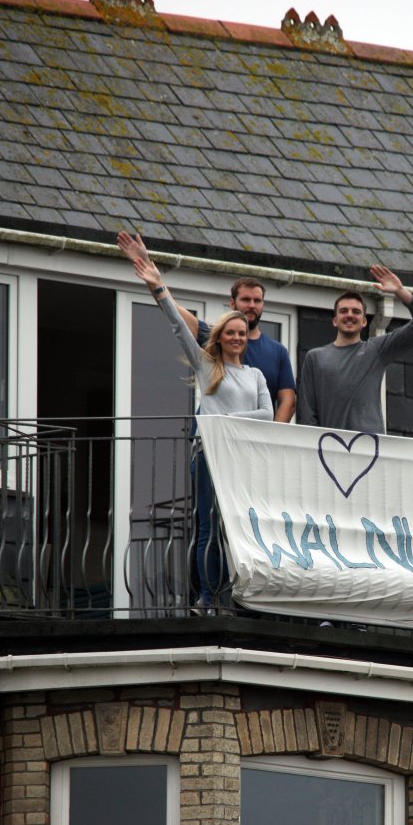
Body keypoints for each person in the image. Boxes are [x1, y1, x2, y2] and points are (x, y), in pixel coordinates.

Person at [132, 256, 273, 612]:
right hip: (209, 456)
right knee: (208, 527)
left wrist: (222, 419)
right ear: (221, 337)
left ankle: (240, 597)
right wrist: (157, 285)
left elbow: (268, 414)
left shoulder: (256, 375)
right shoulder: (208, 365)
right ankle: (208, 595)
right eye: (231, 333)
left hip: (240, 458)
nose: (237, 338)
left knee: (239, 528)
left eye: (242, 334)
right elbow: (180, 327)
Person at [117, 232, 296, 422]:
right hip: (211, 442)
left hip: (248, 446)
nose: (252, 305)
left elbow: (286, 402)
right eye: (246, 299)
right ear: (232, 303)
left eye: (257, 300)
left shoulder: (274, 354)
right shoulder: (208, 349)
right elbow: (176, 317)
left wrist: (265, 440)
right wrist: (153, 278)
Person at [297, 265, 413, 433]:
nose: (350, 315)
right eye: (343, 311)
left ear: (364, 321)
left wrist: (400, 291)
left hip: (369, 449)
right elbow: (306, 414)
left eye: (356, 312)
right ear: (334, 320)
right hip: (330, 448)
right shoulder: (315, 358)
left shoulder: (376, 350)